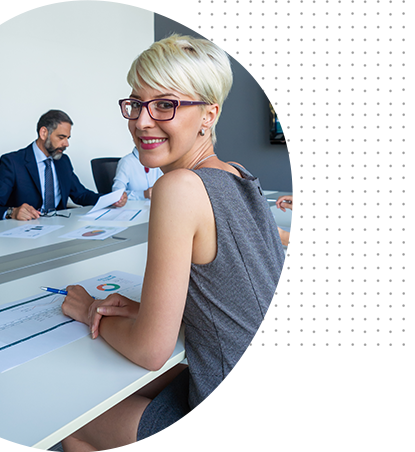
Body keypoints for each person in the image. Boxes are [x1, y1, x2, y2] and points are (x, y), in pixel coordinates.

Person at [61, 34, 293, 452]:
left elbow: (151, 350)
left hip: (240, 436)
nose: (142, 121)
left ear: (209, 113)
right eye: (136, 104)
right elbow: (236, 298)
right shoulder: (238, 174)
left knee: (74, 422)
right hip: (286, 409)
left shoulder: (178, 188)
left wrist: (89, 309)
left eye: (165, 105)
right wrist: (144, 310)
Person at [0, 110, 127, 222]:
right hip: (25, 232)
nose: (66, 144)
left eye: (68, 138)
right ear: (44, 133)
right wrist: (13, 212)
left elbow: (81, 195)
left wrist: (111, 199)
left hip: (58, 228)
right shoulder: (13, 162)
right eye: (61, 137)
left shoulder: (63, 161)